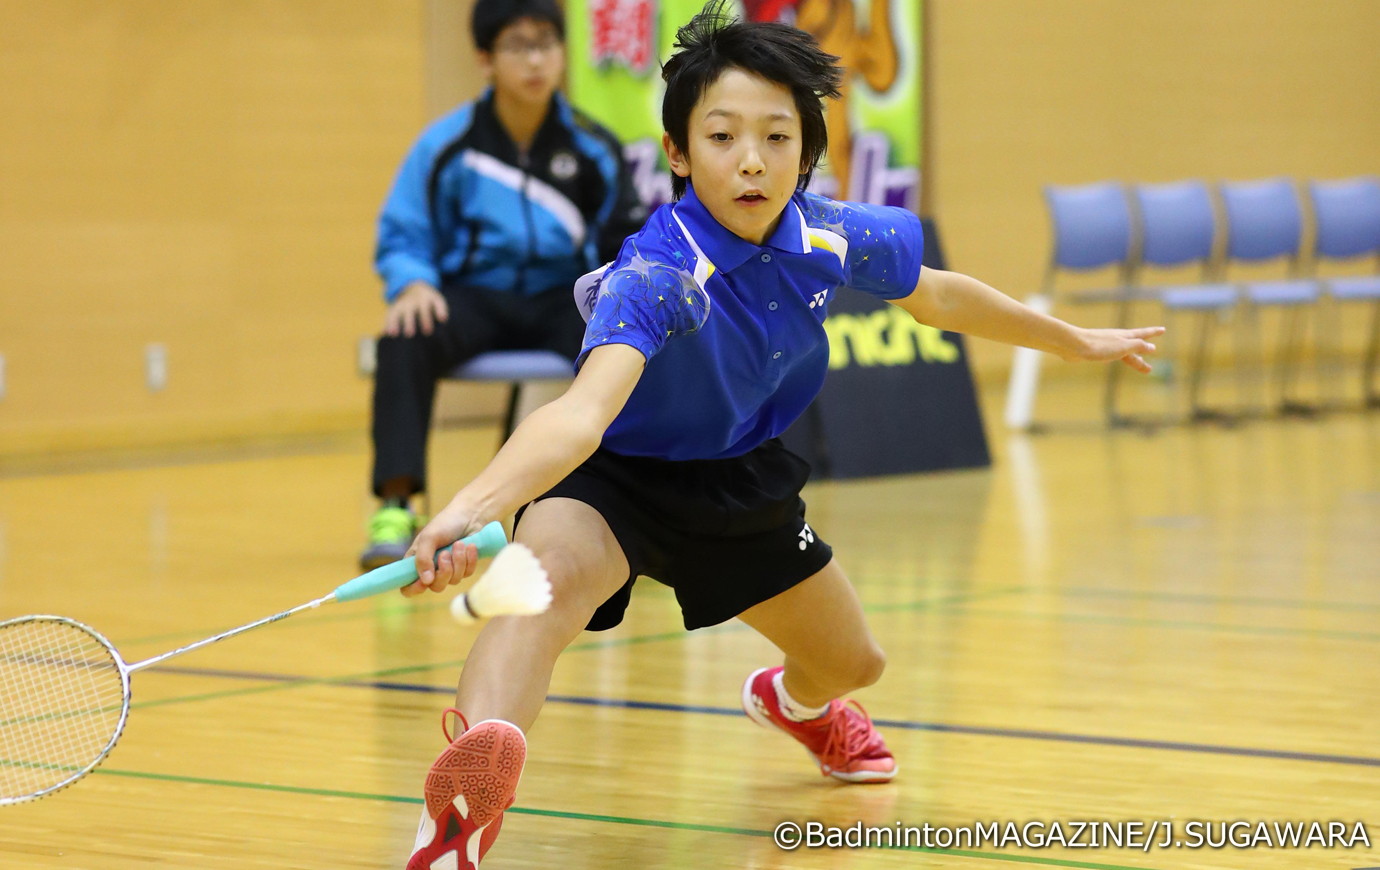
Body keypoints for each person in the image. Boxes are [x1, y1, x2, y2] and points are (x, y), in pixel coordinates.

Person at [401, 5, 1165, 868]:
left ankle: (794, 706)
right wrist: (471, 507)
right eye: (722, 137)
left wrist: (1072, 340)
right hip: (617, 483)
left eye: (777, 135)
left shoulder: (826, 233)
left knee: (854, 664)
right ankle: (463, 804)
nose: (753, 160)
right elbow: (581, 414)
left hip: (742, 480)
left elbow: (941, 296)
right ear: (681, 155)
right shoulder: (659, 273)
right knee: (536, 599)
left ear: (807, 150)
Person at [362, 0, 646, 569]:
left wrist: (618, 298)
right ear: (485, 58)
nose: (537, 60)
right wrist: (412, 283)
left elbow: (627, 242)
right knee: (403, 338)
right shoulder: (447, 145)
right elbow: (403, 232)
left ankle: (637, 504)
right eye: (519, 45)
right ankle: (397, 503)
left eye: (547, 43)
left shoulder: (595, 148)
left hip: (561, 296)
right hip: (474, 296)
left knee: (626, 349)